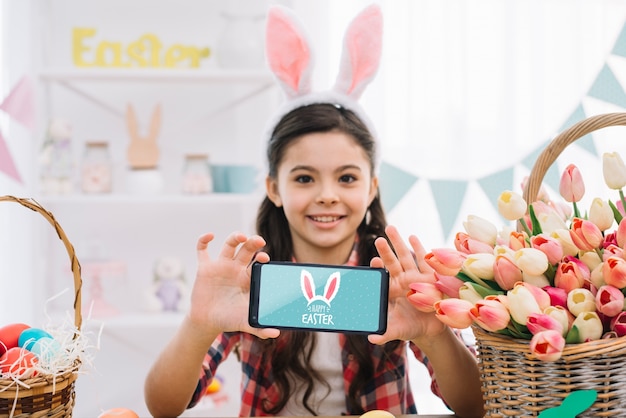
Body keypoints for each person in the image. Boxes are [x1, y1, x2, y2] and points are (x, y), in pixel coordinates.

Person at [144, 4, 484, 418]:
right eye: (304, 178)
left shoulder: (397, 278)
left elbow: (477, 407)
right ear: (274, 188)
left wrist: (434, 336)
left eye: (346, 178)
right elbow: (162, 407)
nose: (327, 196)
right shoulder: (248, 277)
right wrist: (198, 326)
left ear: (372, 186)